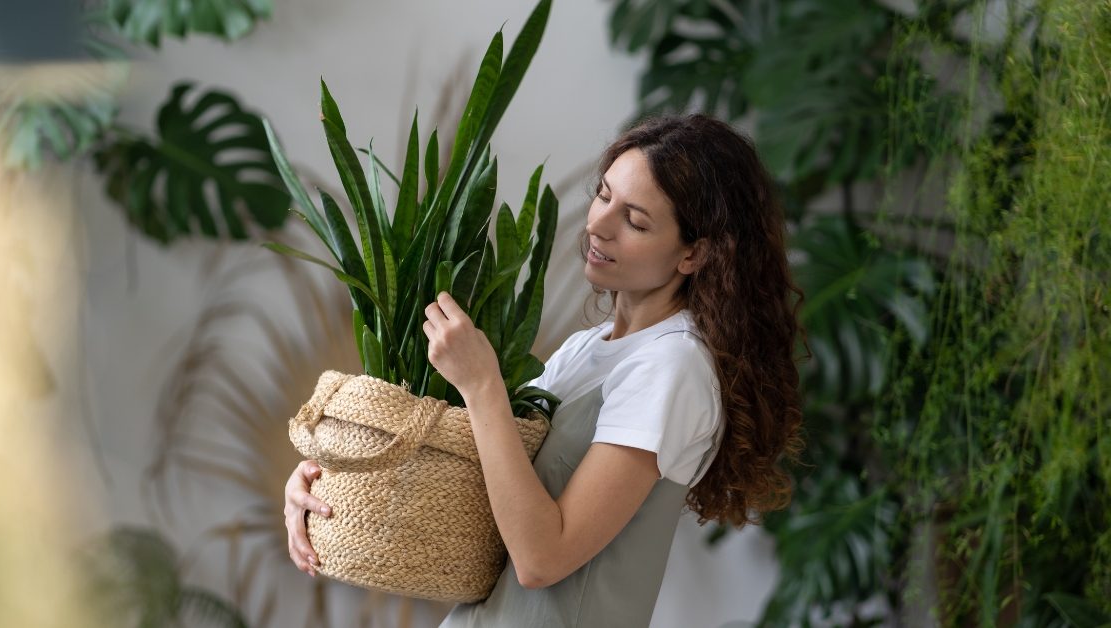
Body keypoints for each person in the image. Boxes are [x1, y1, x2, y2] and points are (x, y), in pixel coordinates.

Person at [283, 113, 808, 626]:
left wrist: (483, 384)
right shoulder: (586, 350)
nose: (598, 225)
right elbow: (483, 490)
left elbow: (542, 560)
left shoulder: (672, 367)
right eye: (603, 195)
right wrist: (329, 482)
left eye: (635, 220)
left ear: (693, 254)